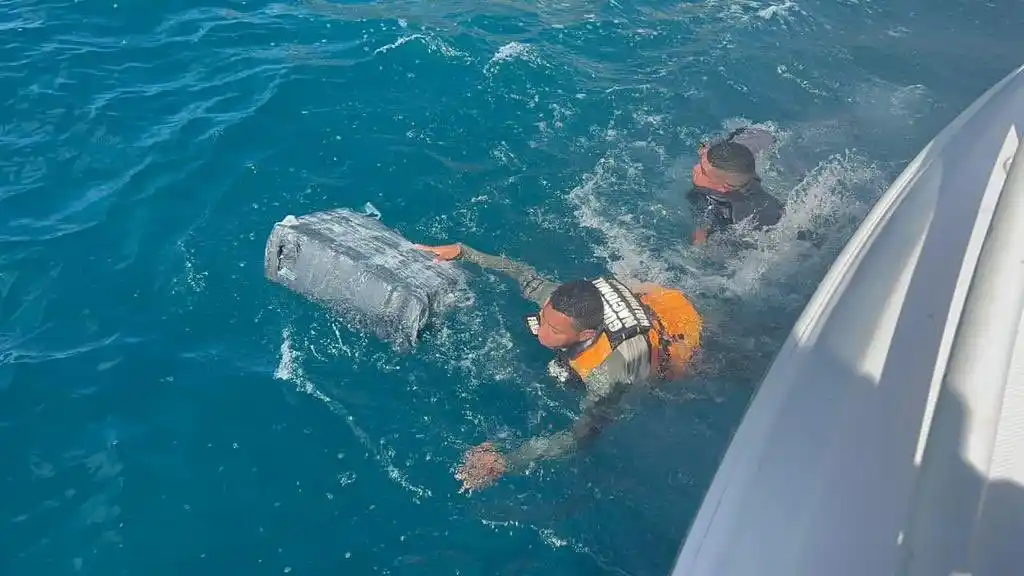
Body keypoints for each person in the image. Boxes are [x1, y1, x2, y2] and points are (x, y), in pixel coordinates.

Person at [414, 242, 704, 492]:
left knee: (674, 376)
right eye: (545, 317)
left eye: (553, 329)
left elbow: (581, 437)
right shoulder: (559, 304)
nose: (541, 331)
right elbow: (520, 272)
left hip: (679, 334)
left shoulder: (607, 375)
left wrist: (509, 461)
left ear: (586, 335)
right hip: (654, 299)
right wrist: (464, 252)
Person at [688, 127, 784, 245]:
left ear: (723, 188)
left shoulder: (730, 209)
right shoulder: (739, 155)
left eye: (703, 172)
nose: (695, 169)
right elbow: (766, 136)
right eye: (702, 162)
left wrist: (703, 232)